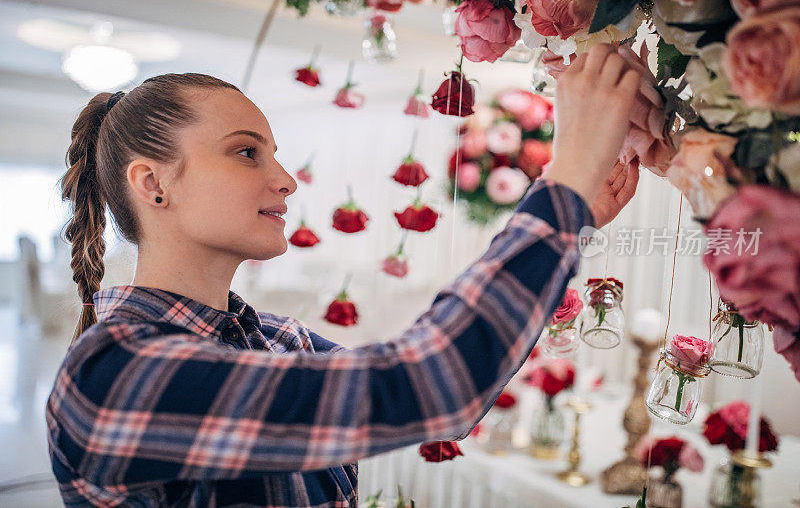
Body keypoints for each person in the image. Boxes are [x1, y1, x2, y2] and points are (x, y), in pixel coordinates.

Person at [46, 43, 641, 507]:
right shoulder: (116, 373)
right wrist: (564, 187)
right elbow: (434, 380)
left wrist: (573, 212)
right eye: (246, 152)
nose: (286, 179)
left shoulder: (280, 341)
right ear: (153, 183)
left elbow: (450, 398)